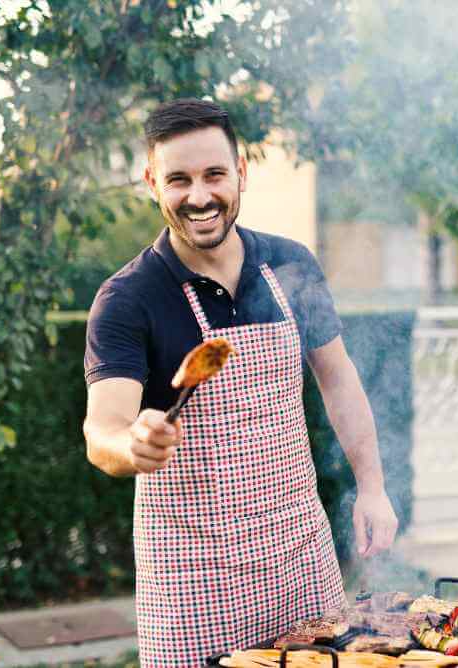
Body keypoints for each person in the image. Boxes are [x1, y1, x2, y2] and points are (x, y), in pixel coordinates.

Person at [82, 98, 398, 666]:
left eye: (213, 175)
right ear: (152, 181)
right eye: (178, 179)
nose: (199, 197)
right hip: (192, 584)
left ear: (241, 174)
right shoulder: (128, 298)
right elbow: (102, 428)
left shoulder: (289, 264)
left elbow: (339, 380)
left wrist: (371, 486)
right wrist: (131, 443)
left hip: (300, 561)